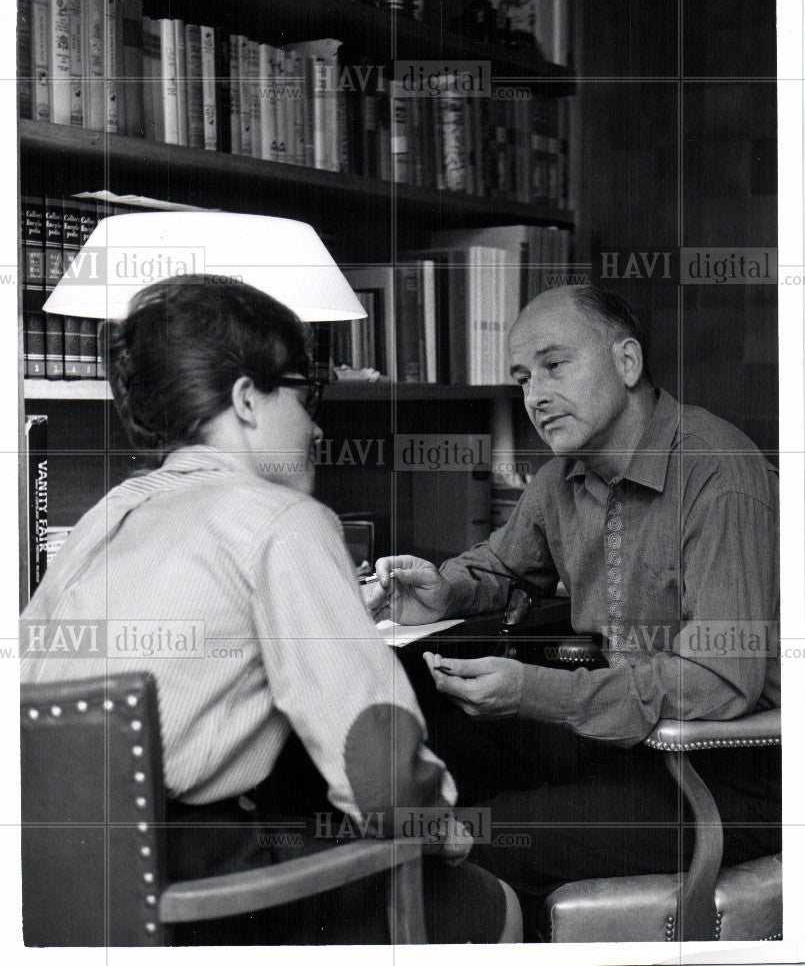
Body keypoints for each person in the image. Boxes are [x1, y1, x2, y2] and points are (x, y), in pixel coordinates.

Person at [19, 274, 521, 945]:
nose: (315, 425)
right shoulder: (283, 521)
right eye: (305, 392)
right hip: (201, 899)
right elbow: (378, 771)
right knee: (487, 903)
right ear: (248, 398)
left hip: (63, 893)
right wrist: (446, 835)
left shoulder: (104, 516)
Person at [368, 285, 780, 936]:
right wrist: (446, 590)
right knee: (416, 738)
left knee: (484, 833)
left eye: (555, 366)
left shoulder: (718, 473)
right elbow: (503, 565)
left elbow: (719, 685)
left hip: (734, 770)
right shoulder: (560, 476)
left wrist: (535, 689)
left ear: (625, 363)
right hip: (624, 740)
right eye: (522, 378)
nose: (534, 395)